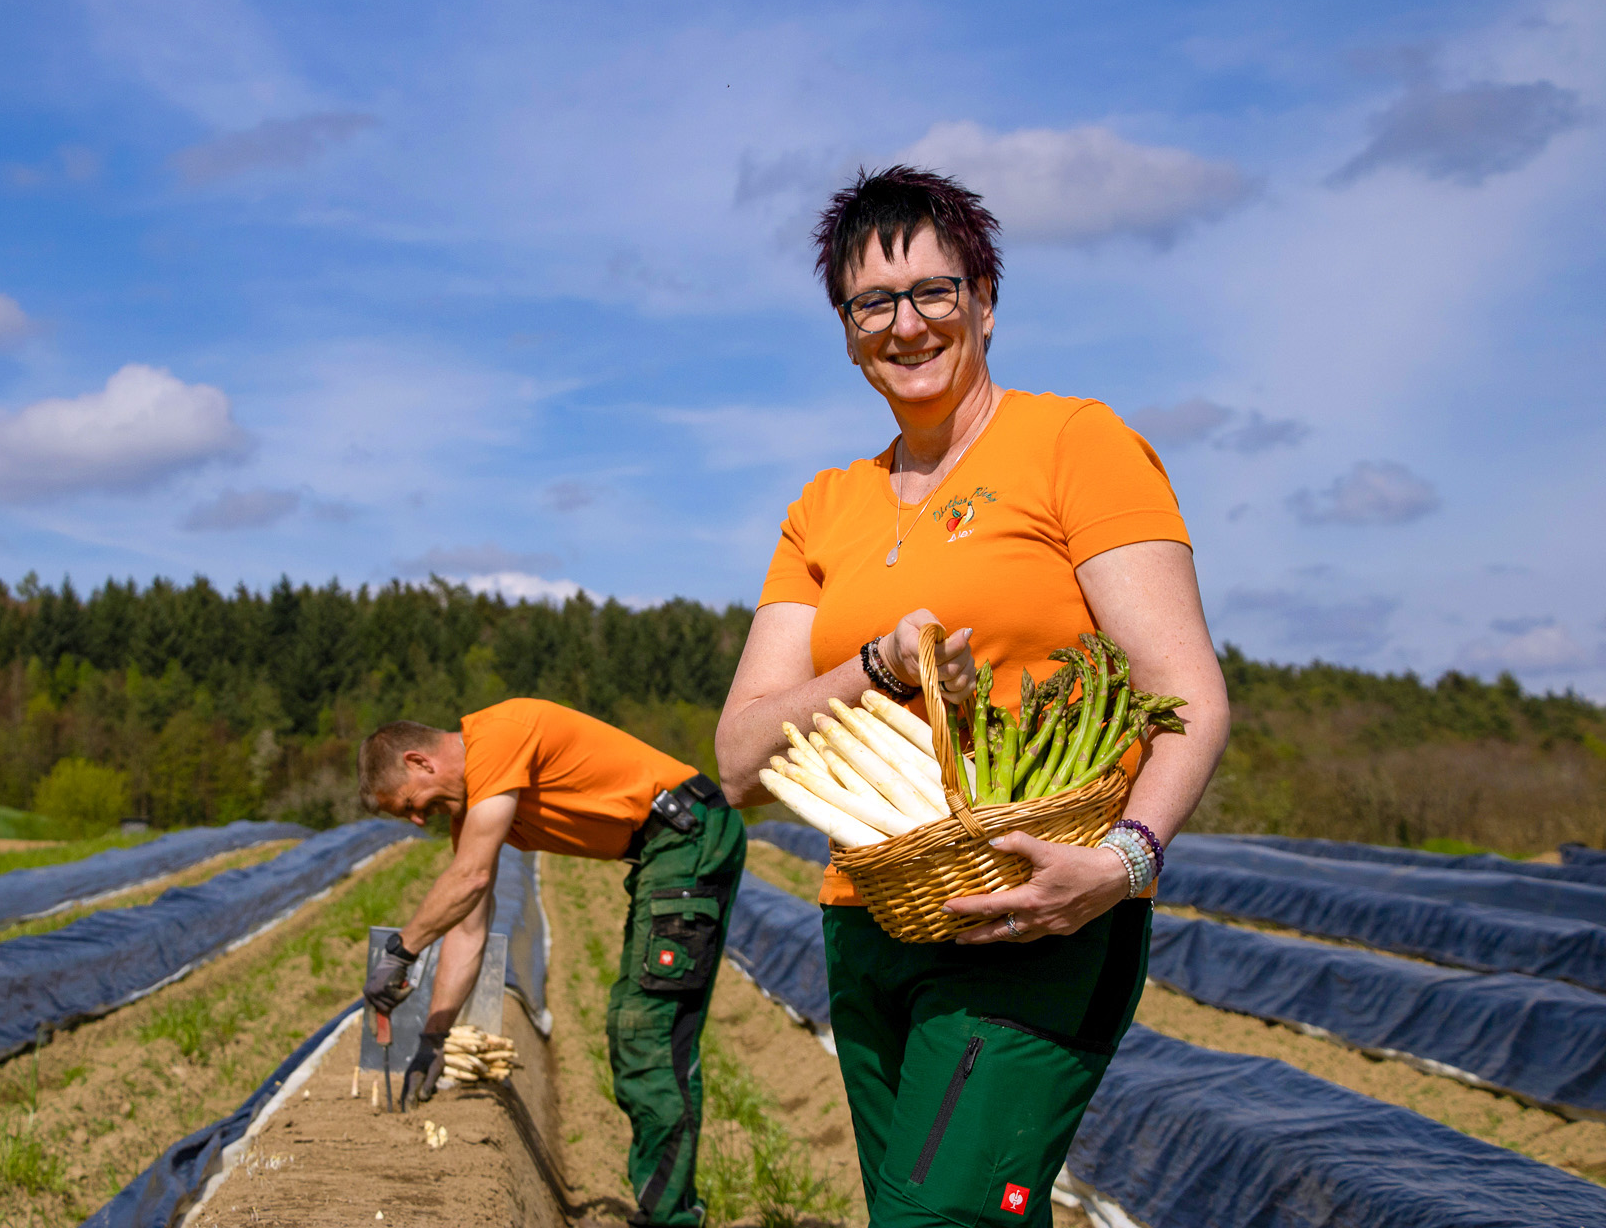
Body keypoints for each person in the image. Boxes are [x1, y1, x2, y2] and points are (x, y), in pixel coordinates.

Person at [714, 166, 1230, 1226]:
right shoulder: (826, 506)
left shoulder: (1073, 443)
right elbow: (740, 759)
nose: (906, 324)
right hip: (870, 918)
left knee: (943, 1218)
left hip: (1036, 916)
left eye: (934, 292)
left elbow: (1189, 694)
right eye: (873, 303)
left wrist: (1121, 861)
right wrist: (879, 666)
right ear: (846, 331)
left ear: (985, 300)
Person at [358, 696, 746, 1228]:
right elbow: (469, 927)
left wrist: (402, 949)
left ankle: (670, 1218)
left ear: (418, 763)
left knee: (646, 1030)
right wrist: (433, 1037)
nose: (419, 817)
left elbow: (469, 879)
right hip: (664, 848)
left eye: (410, 803)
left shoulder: (496, 734)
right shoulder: (476, 804)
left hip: (688, 835)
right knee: (633, 1026)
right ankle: (667, 1209)